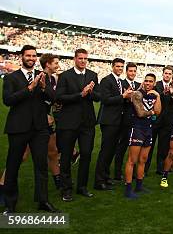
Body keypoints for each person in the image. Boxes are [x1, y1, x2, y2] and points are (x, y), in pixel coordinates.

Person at [2, 45, 60, 213]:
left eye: (34, 56)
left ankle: (43, 201)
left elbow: (54, 97)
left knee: (41, 166)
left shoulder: (43, 76)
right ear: (22, 57)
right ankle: (10, 205)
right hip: (18, 128)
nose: (31, 58)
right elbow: (8, 100)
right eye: (28, 55)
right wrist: (29, 89)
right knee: (13, 166)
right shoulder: (12, 77)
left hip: (40, 129)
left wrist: (42, 87)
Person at [55, 48, 101, 201]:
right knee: (67, 156)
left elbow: (98, 97)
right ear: (74, 59)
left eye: (85, 59)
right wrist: (80, 94)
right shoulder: (65, 76)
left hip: (87, 123)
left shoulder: (92, 75)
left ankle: (82, 187)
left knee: (86, 154)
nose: (83, 61)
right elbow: (59, 97)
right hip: (69, 122)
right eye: (80, 58)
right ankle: (66, 189)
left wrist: (90, 92)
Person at [94, 58, 133, 190]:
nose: (120, 69)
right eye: (117, 66)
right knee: (105, 151)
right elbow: (105, 100)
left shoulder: (121, 81)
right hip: (109, 121)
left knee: (111, 151)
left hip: (118, 121)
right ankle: (98, 181)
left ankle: (105, 176)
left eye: (122, 67)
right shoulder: (106, 80)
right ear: (112, 67)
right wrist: (123, 96)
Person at [124, 74, 161, 199]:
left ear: (154, 83)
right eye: (146, 81)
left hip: (148, 129)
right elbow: (140, 113)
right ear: (143, 82)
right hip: (137, 128)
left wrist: (158, 96)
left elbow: (159, 111)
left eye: (151, 81)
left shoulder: (154, 94)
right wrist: (151, 112)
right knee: (132, 160)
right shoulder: (137, 94)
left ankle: (139, 186)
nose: (148, 83)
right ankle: (128, 189)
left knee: (143, 159)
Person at [146, 65, 173, 175]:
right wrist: (164, 93)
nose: (167, 75)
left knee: (163, 147)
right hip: (155, 119)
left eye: (169, 74)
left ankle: (160, 168)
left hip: (167, 121)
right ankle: (145, 168)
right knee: (149, 145)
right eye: (166, 73)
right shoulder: (156, 85)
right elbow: (153, 99)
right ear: (162, 74)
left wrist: (172, 94)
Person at [113, 62, 139, 181]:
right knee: (121, 147)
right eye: (130, 71)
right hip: (124, 121)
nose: (132, 73)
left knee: (135, 148)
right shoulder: (121, 84)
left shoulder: (139, 85)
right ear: (126, 72)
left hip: (137, 121)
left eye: (134, 71)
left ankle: (133, 172)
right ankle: (117, 173)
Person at [40, 53, 62, 190]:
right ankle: (3, 186)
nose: (58, 65)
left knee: (53, 152)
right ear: (47, 64)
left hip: (47, 120)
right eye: (55, 63)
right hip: (35, 121)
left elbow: (53, 97)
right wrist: (44, 114)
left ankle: (58, 181)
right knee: (22, 156)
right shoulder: (40, 77)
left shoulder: (52, 79)